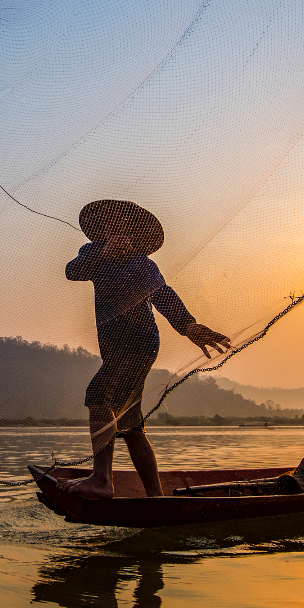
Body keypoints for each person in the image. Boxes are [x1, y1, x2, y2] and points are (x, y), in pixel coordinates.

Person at [58, 200, 231, 499]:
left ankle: (102, 481)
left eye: (122, 224)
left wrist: (188, 326)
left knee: (99, 396)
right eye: (109, 223)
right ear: (101, 229)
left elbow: (163, 295)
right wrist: (102, 253)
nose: (115, 227)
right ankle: (156, 496)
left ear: (133, 233)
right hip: (114, 346)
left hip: (139, 341)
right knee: (129, 422)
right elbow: (72, 272)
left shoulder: (141, 263)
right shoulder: (92, 253)